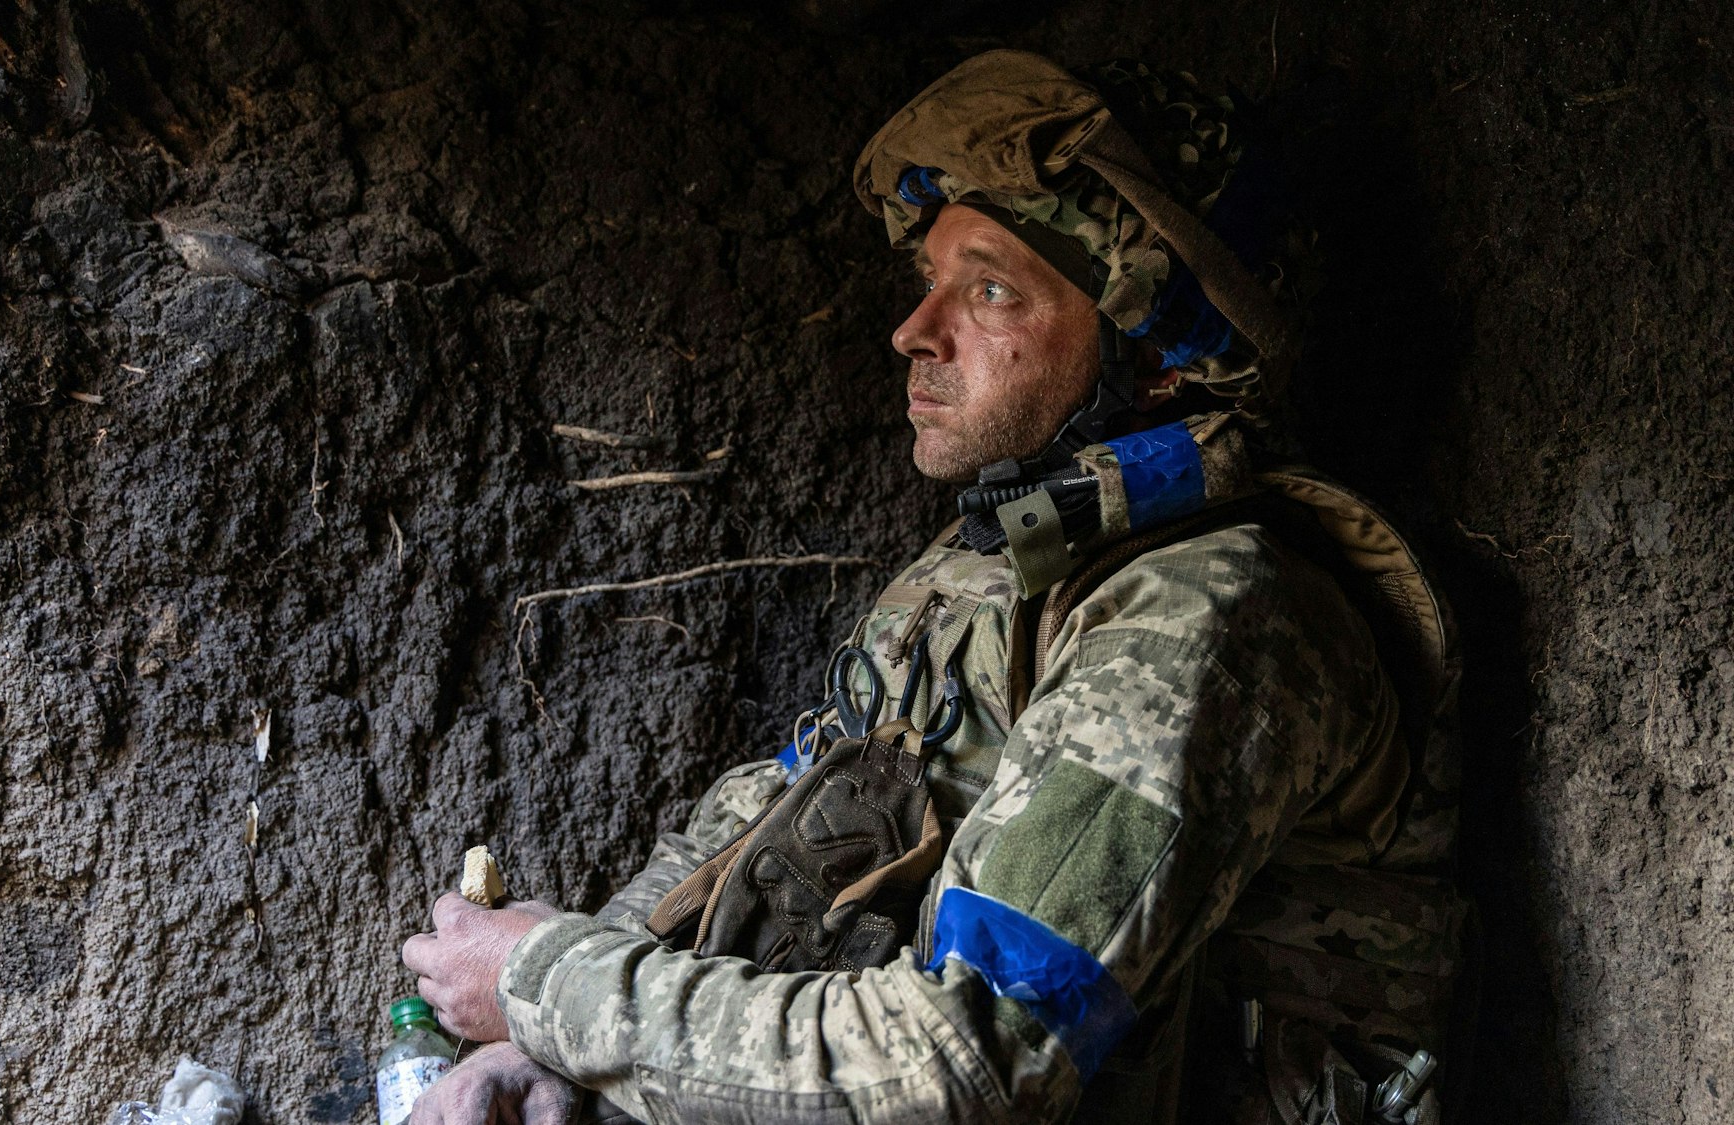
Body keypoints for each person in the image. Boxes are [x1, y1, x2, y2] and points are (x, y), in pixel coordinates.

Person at [402, 51, 1466, 1125]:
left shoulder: (1208, 619)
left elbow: (960, 1069)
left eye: (991, 287)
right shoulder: (981, 571)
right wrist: (552, 1046)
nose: (914, 331)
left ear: (1158, 357)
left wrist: (546, 985)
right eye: (930, 281)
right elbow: (762, 827)